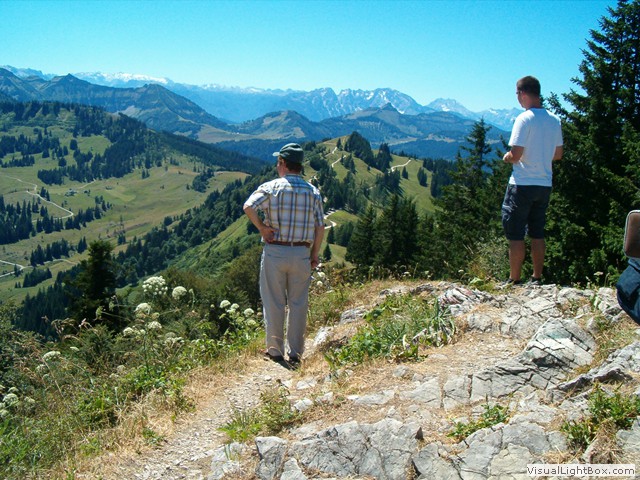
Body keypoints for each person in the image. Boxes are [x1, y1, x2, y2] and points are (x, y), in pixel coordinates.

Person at [243, 143, 325, 366]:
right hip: (301, 252)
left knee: (273, 301)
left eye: (278, 162)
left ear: (283, 163)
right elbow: (320, 227)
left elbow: (248, 206)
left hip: (275, 251)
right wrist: (314, 254)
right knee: (298, 303)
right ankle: (295, 353)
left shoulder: (271, 187)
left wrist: (262, 228)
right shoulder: (313, 192)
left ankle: (275, 350)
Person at [501, 76, 563, 286]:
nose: (517, 98)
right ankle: (536, 277)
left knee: (515, 233)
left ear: (523, 93)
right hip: (544, 184)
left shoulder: (524, 119)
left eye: (517, 94)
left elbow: (516, 154)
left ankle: (514, 279)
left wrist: (507, 157)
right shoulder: (554, 120)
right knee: (537, 232)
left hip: (522, 183)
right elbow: (558, 154)